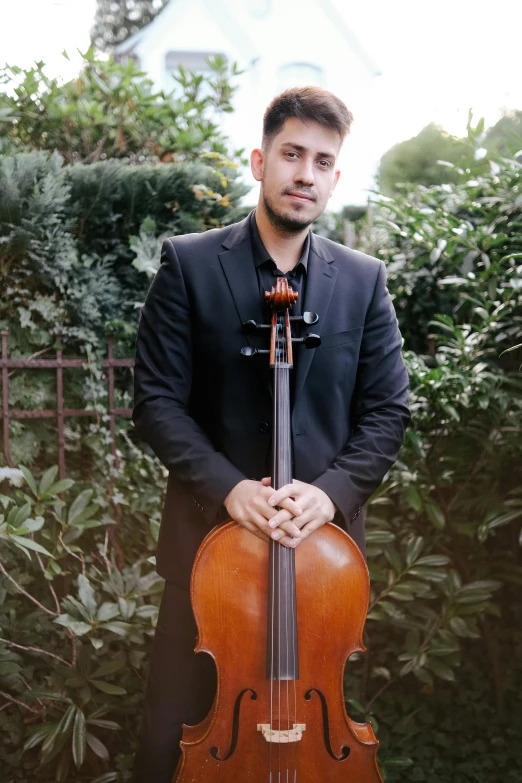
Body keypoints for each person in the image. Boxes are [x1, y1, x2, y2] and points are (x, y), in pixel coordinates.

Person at [131, 86, 410, 783]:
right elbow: (157, 401)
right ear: (261, 160)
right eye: (292, 154)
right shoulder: (190, 265)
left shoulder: (364, 282)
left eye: (322, 160)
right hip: (208, 565)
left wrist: (329, 495)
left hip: (320, 573)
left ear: (336, 176)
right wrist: (229, 490)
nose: (305, 173)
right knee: (172, 737)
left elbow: (387, 410)